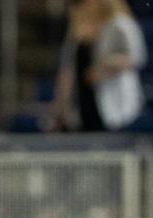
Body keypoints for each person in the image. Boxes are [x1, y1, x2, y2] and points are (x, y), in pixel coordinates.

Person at [46, 0, 146, 132]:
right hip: (81, 101)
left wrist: (104, 67)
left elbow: (137, 57)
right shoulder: (76, 28)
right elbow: (67, 69)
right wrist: (60, 103)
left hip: (111, 100)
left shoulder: (120, 24)